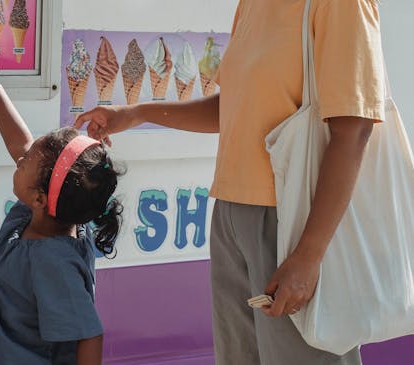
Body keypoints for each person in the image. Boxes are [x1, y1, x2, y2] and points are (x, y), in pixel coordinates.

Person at [74, 0, 385, 364]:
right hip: (231, 213)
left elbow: (354, 127)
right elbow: (232, 106)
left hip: (295, 219)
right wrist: (135, 113)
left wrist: (308, 256)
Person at [0, 36, 124, 365]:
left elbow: (89, 334)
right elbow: (21, 144)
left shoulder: (52, 262)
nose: (20, 159)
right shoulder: (42, 213)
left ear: (39, 197)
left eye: (26, 163)